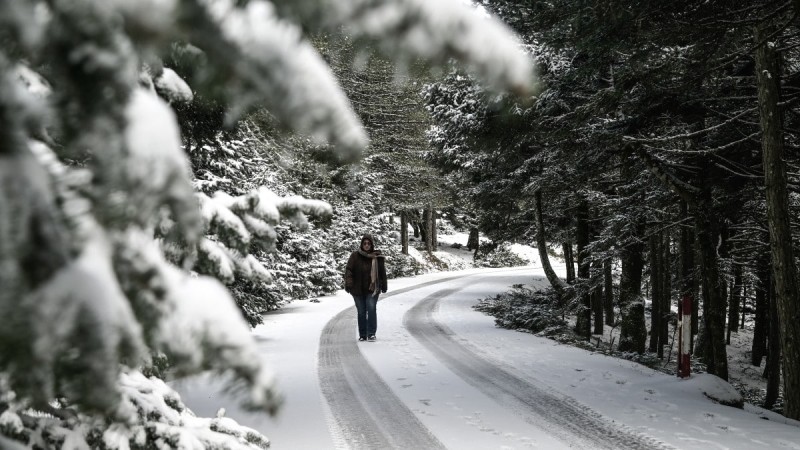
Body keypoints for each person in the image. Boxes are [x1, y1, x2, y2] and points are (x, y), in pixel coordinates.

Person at [344, 234, 387, 342]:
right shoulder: (355, 256)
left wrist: (384, 285)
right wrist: (349, 283)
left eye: (368, 243)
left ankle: (371, 333)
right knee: (361, 312)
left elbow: (382, 273)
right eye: (364, 243)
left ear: (372, 245)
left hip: (372, 289)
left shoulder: (377, 257)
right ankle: (363, 334)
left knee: (371, 308)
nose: (366, 245)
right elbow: (349, 270)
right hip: (357, 289)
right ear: (362, 244)